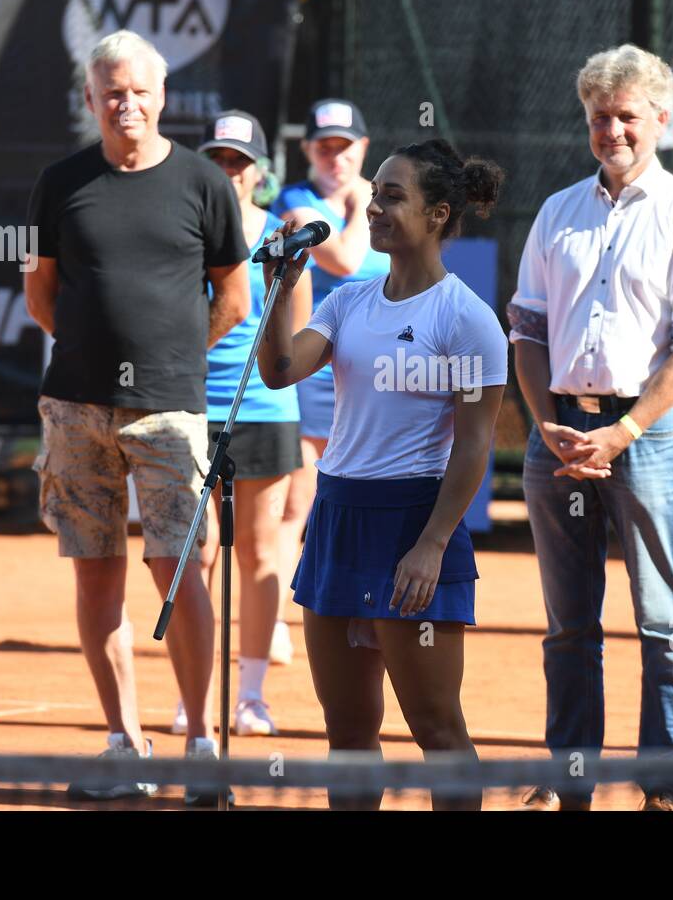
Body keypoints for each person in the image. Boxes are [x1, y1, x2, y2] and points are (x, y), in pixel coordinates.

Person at [509, 45, 673, 811]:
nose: (613, 131)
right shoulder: (556, 212)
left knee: (663, 621)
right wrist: (547, 426)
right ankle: (569, 779)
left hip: (647, 442)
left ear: (660, 122)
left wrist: (624, 433)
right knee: (568, 625)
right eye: (600, 117)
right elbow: (529, 332)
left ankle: (663, 789)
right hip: (559, 439)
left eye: (628, 117)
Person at [23, 31, 250, 801]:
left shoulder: (205, 185)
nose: (126, 103)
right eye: (110, 91)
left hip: (172, 413)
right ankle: (123, 740)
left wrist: (172, 356)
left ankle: (199, 742)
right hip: (75, 412)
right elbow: (40, 294)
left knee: (180, 570)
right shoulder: (55, 183)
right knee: (95, 575)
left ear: (162, 96)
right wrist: (91, 354)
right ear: (91, 99)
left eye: (139, 90)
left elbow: (234, 299)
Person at [258, 139, 507, 811]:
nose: (375, 207)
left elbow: (475, 445)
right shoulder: (349, 303)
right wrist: (282, 289)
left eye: (394, 196)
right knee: (347, 734)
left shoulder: (467, 319)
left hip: (413, 525)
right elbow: (279, 370)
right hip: (337, 521)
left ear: (438, 214)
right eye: (376, 194)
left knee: (435, 728)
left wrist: (431, 542)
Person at [167, 109, 313, 738]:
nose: (228, 172)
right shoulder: (180, 231)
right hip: (189, 412)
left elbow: (294, 328)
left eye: (238, 161)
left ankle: (250, 695)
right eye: (218, 160)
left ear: (259, 171)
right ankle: (193, 700)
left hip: (264, 412)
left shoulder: (279, 235)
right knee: (193, 554)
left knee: (256, 552)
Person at [270, 99, 391, 664]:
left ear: (362, 148)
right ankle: (272, 622)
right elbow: (342, 261)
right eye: (324, 147)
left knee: (369, 497)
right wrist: (352, 204)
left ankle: (365, 615)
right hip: (311, 371)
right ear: (307, 151)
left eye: (345, 147)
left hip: (374, 378)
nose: (335, 157)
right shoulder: (297, 202)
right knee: (300, 502)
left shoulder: (385, 198)